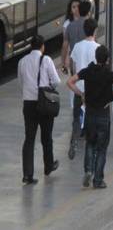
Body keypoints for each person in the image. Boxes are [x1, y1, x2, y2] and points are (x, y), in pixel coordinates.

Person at [67, 46, 113, 189]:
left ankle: (88, 170)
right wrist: (111, 96)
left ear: (96, 56)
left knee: (90, 144)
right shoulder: (109, 74)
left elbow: (69, 82)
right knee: (101, 148)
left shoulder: (87, 71)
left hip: (90, 114)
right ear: (107, 59)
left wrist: (81, 93)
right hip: (103, 115)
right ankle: (98, 180)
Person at [18, 35, 60, 185]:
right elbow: (56, 81)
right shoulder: (47, 60)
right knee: (46, 136)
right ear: (42, 46)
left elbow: (21, 82)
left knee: (29, 138)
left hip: (28, 103)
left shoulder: (22, 62)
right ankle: (48, 166)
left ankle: (27, 175)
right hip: (44, 102)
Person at [67, 18, 100, 160]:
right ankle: (88, 142)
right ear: (95, 30)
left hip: (79, 89)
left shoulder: (77, 47)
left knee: (77, 116)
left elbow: (74, 68)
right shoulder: (98, 48)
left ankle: (74, 138)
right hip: (92, 91)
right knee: (91, 118)